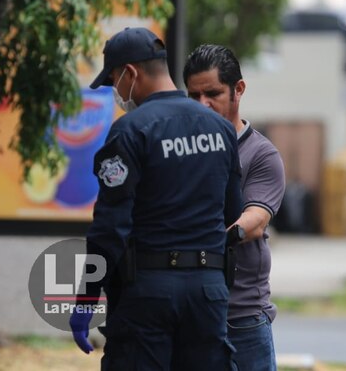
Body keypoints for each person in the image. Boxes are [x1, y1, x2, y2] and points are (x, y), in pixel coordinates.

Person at [68, 27, 243, 370]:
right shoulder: (221, 129)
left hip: (149, 294)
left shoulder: (130, 130)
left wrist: (87, 298)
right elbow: (232, 211)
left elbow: (109, 229)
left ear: (130, 73)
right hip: (208, 293)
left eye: (114, 80)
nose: (116, 92)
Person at [184, 44, 286, 371]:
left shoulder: (261, 154)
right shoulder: (178, 149)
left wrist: (204, 242)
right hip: (189, 314)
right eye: (193, 96)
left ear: (238, 89)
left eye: (212, 93)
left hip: (241, 317)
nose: (203, 104)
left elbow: (253, 221)